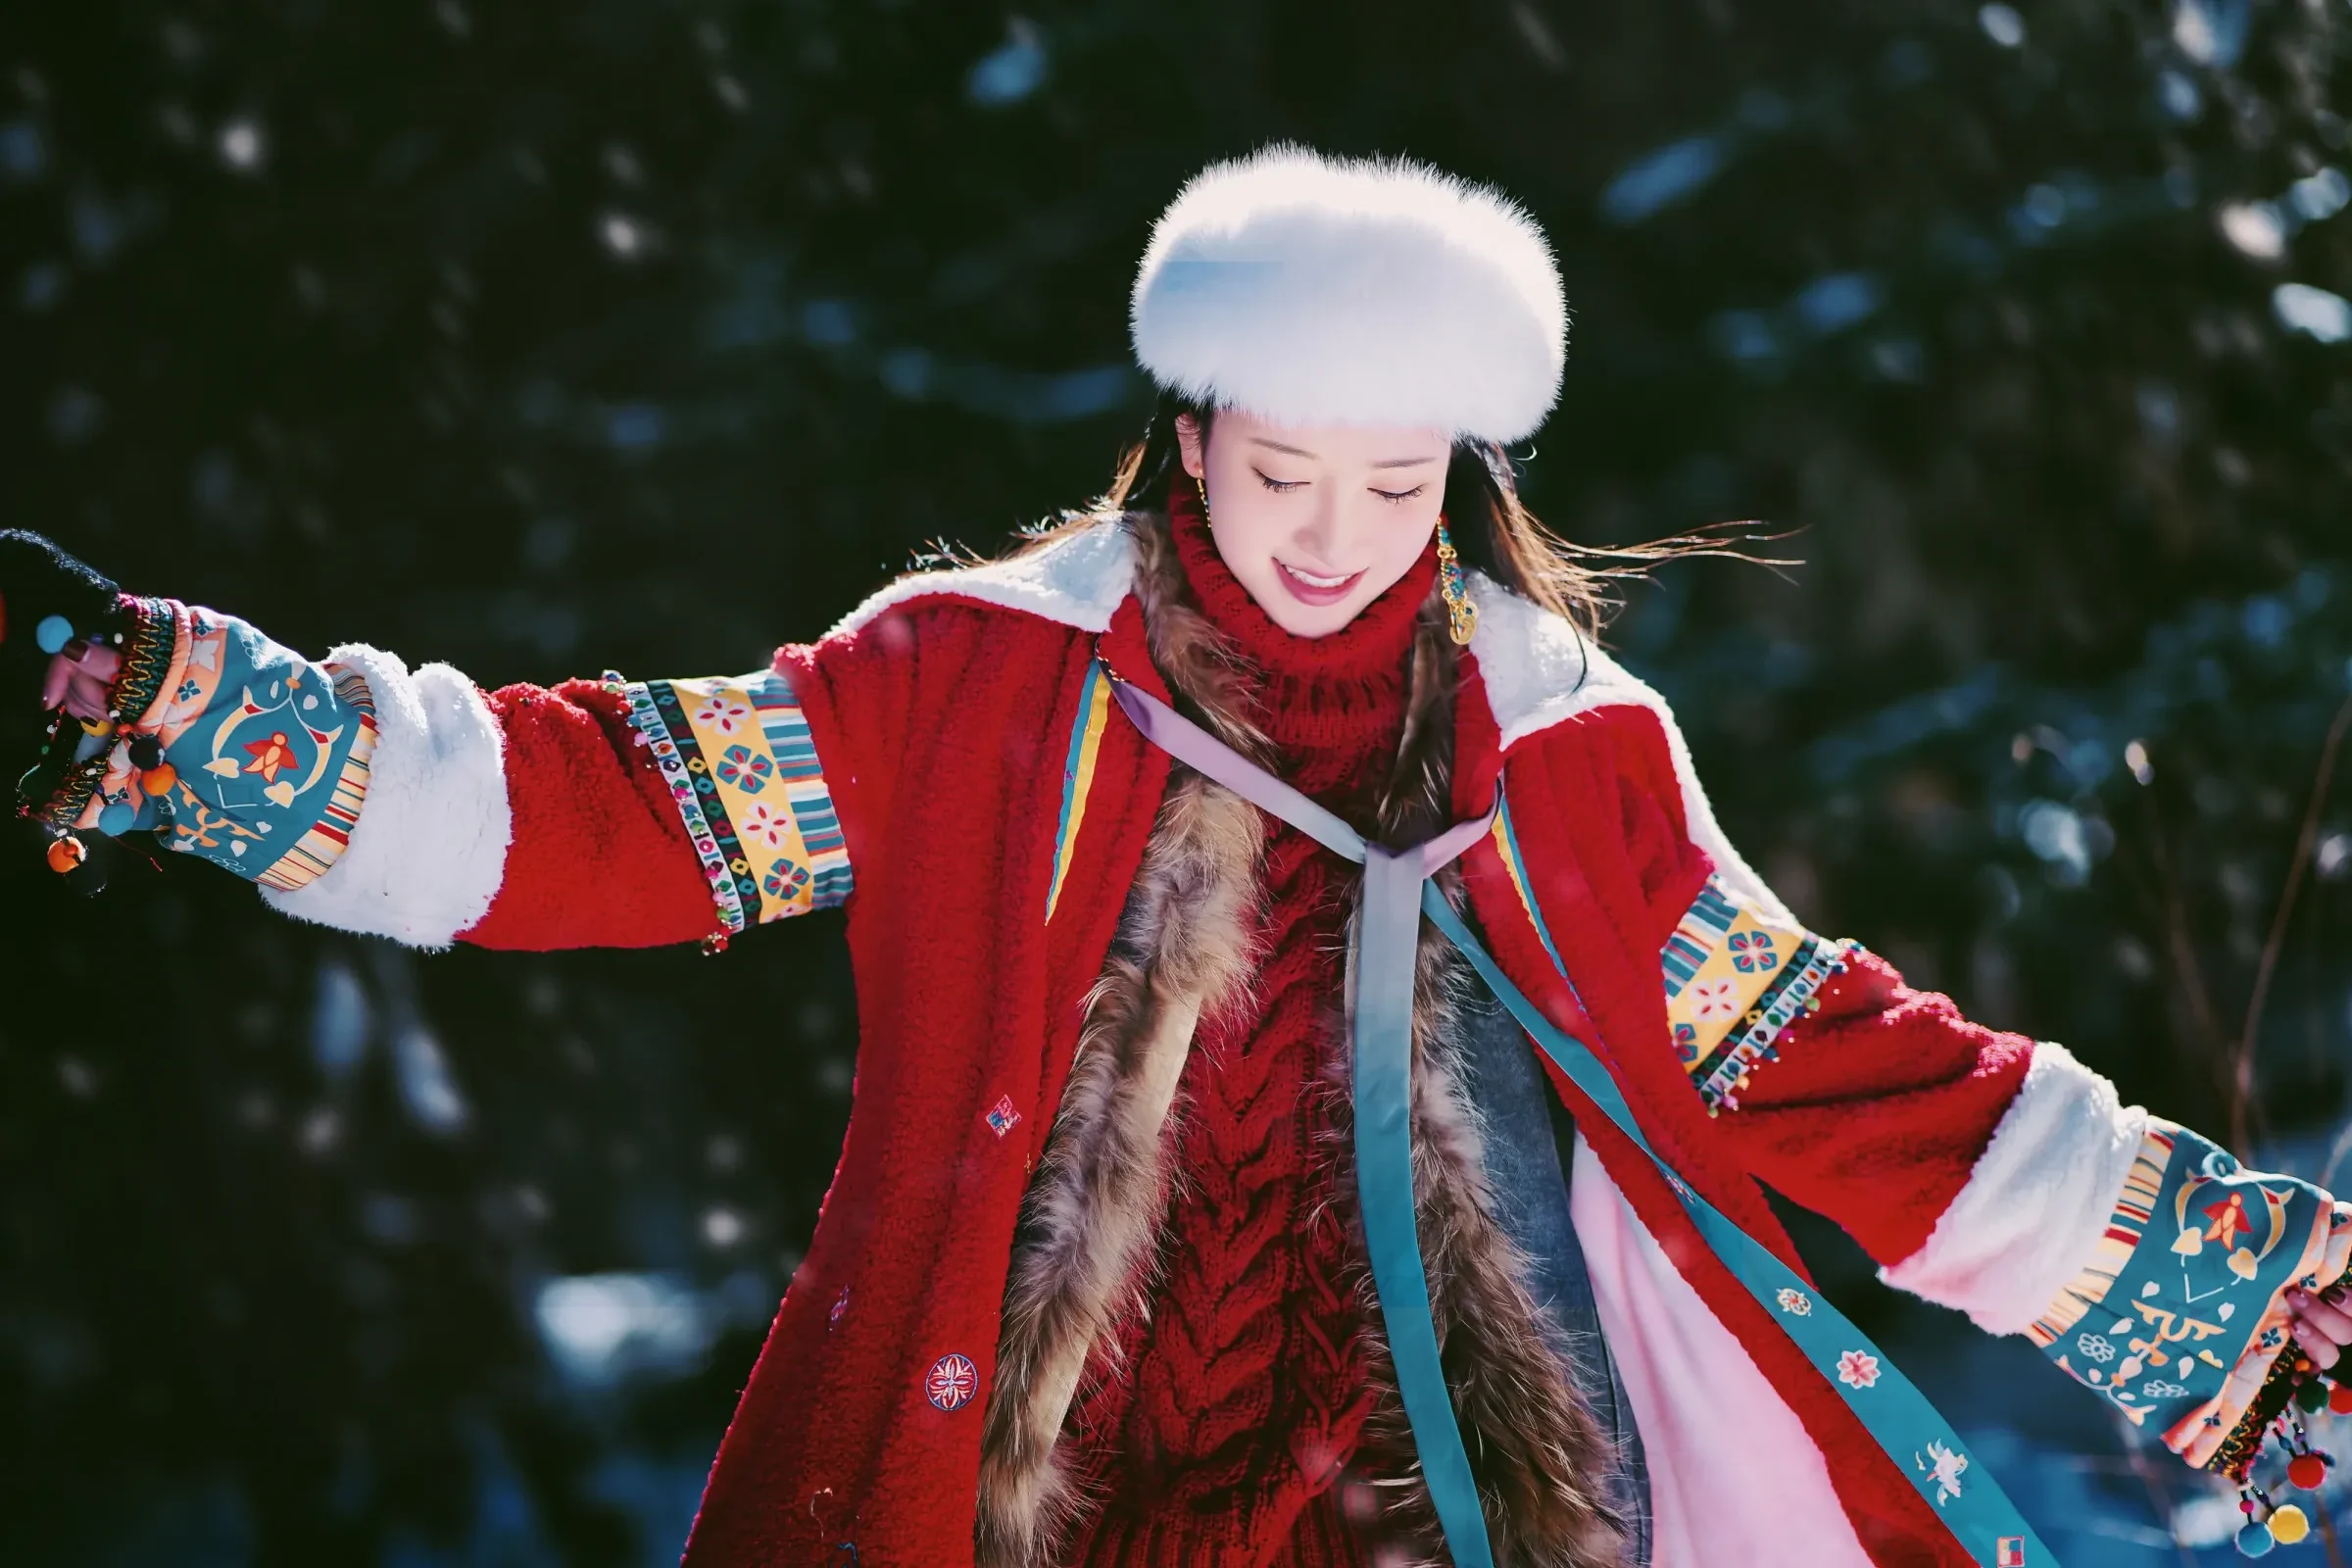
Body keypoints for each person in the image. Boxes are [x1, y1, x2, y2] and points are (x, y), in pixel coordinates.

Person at [5, 145, 2350, 1568]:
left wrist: (2225, 1290)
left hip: (1450, 1494)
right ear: (1182, 432)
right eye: (1279, 471)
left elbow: (1807, 1045)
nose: (1333, 539)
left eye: (1394, 483)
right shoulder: (972, 682)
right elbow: (620, 802)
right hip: (1028, 1496)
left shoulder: (1565, 746)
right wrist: (208, 725)